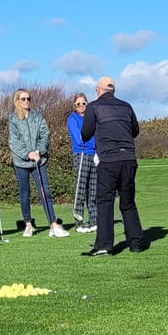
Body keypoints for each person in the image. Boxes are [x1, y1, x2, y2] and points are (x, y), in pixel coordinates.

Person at [81, 76, 143, 256]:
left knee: (105, 201)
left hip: (108, 160)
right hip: (129, 159)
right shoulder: (126, 106)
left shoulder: (94, 106)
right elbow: (135, 131)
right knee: (128, 202)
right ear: (113, 91)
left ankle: (104, 245)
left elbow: (85, 133)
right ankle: (136, 243)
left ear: (98, 90)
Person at [8, 88, 70, 238]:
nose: (26, 101)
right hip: (21, 162)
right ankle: (28, 224)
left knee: (45, 193)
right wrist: (27, 154)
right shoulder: (13, 118)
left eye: (28, 98)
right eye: (23, 99)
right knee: (25, 194)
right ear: (17, 101)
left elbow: (44, 135)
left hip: (38, 160)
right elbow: (14, 141)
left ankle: (53, 225)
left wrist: (39, 151)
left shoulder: (37, 116)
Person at [67, 93, 97, 233]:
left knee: (93, 189)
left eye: (83, 103)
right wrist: (91, 142)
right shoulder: (72, 119)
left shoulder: (92, 118)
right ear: (75, 106)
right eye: (78, 104)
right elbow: (80, 139)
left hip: (94, 155)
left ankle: (94, 220)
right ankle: (79, 222)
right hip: (81, 153)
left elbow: (97, 135)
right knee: (80, 188)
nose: (81, 106)